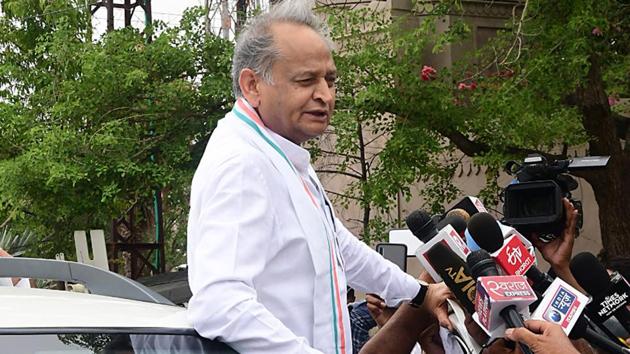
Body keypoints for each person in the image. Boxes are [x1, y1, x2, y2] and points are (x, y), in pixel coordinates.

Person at [186, 1, 452, 353]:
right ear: (252, 85)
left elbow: (339, 248)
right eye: (306, 80)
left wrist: (419, 293)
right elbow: (221, 303)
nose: (325, 95)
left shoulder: (282, 153)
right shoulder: (242, 162)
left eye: (330, 79)